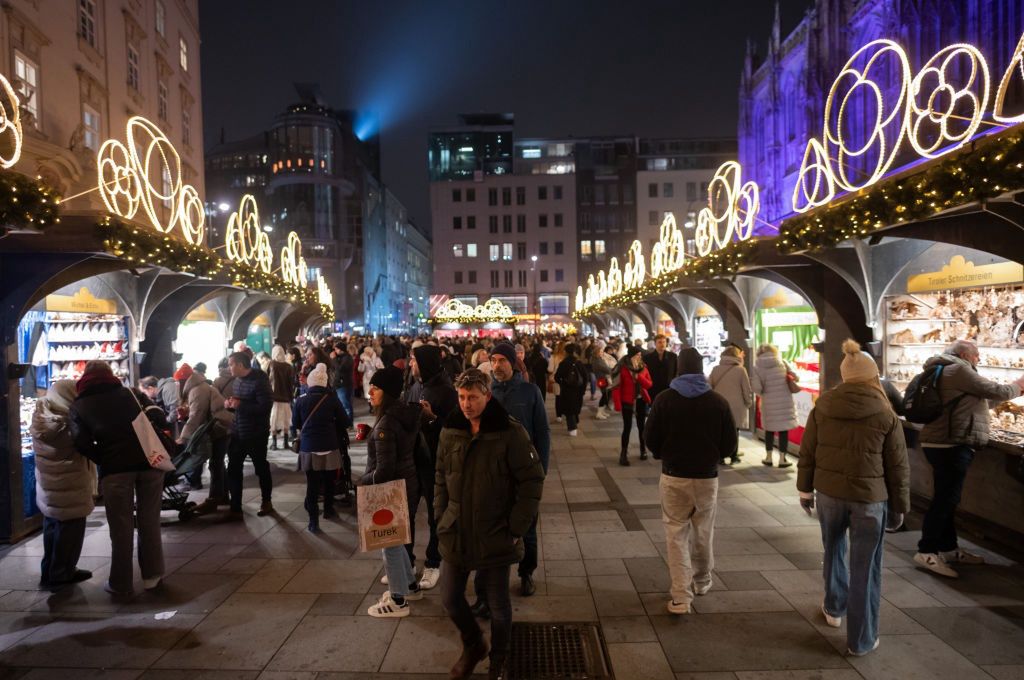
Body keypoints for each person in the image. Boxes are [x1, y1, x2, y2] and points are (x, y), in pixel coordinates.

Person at [797, 340, 910, 656]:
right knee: (866, 566)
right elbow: (898, 465)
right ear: (873, 376)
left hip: (830, 494)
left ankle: (834, 608)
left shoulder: (824, 405)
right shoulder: (885, 411)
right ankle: (860, 640)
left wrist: (805, 489)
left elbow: (808, 451)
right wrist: (900, 506)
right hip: (870, 499)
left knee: (833, 548)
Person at [437, 369, 545, 679]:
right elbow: (440, 477)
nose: (466, 404)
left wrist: (516, 527)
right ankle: (474, 645)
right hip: (456, 528)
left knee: (498, 605)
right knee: (450, 597)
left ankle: (500, 659)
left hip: (496, 529)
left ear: (487, 396)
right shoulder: (451, 430)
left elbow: (532, 479)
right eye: (461, 397)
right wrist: (440, 515)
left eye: (472, 397)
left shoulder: (510, 433)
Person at [912, 339, 1024, 578]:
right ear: (964, 354)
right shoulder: (959, 369)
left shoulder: (947, 370)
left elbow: (981, 400)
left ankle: (948, 548)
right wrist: (1018, 384)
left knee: (947, 498)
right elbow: (997, 391)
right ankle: (927, 550)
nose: (979, 359)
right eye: (977, 355)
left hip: (943, 441)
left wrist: (1010, 393)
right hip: (950, 443)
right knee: (945, 499)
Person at [644, 348, 737, 614]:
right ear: (701, 370)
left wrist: (663, 453)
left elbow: (651, 438)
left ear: (679, 370)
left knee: (675, 533)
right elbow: (730, 444)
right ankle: (703, 580)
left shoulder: (664, 400)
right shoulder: (718, 402)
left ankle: (681, 596)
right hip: (707, 478)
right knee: (704, 531)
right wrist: (713, 457)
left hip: (674, 476)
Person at [69, 361, 166, 595]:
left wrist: (102, 456)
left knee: (121, 526)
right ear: (111, 375)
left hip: (115, 469)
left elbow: (80, 442)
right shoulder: (128, 393)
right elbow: (157, 417)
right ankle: (152, 576)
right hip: (150, 461)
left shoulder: (80, 405)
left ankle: (120, 583)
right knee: (149, 521)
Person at [488, 342, 551, 600]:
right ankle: (495, 579)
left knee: (527, 525)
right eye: (493, 360)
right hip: (494, 474)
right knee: (495, 527)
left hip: (524, 472)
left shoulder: (530, 392)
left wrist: (541, 470)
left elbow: (542, 434)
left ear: (513, 362)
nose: (497, 366)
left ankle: (526, 573)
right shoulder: (487, 393)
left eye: (502, 360)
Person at [363, 366, 424, 617]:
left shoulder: (386, 423)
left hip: (389, 490)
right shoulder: (404, 414)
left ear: (386, 392)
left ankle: (397, 601)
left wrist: (361, 481)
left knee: (389, 542)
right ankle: (410, 586)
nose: (369, 392)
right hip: (406, 484)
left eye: (375, 388)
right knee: (397, 540)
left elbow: (384, 469)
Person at [30, 380, 95, 589]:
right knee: (71, 530)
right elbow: (85, 444)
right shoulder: (66, 423)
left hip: (49, 484)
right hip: (69, 484)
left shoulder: (41, 418)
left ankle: (49, 569)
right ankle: (63, 572)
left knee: (52, 527)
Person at [407, 345, 458, 591]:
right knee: (406, 512)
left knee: (434, 515)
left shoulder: (447, 392)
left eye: (413, 360)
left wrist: (432, 419)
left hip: (435, 463)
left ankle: (433, 563)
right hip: (412, 461)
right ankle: (406, 562)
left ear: (424, 363)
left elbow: (453, 434)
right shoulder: (416, 387)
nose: (410, 365)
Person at [292, 363, 350, 533]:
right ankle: (329, 509)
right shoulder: (332, 399)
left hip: (309, 448)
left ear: (309, 382)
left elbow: (296, 423)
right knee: (330, 481)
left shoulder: (301, 400)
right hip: (330, 446)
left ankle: (313, 521)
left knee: (312, 485)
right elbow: (345, 421)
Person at [224, 351, 275, 517]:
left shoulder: (260, 380)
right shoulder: (237, 381)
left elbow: (265, 407)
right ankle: (235, 506)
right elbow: (240, 403)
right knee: (233, 469)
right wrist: (230, 404)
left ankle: (266, 502)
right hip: (238, 432)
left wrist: (240, 405)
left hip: (256, 434)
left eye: (231, 364)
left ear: (240, 365)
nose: (229, 367)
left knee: (261, 468)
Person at [178, 364, 233, 513]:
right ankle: (223, 496)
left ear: (184, 381)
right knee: (218, 463)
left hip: (219, 428)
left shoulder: (197, 390)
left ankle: (214, 500)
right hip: (220, 427)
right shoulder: (199, 387)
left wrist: (183, 438)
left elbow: (197, 416)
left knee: (215, 464)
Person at [751, 344, 798, 468]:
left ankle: (768, 457)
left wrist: (762, 393)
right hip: (784, 401)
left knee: (769, 430)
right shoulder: (782, 362)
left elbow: (757, 388)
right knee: (783, 430)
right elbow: (796, 377)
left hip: (768, 402)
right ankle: (783, 459)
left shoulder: (757, 367)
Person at [709, 345, 752, 465]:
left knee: (720, 431)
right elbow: (746, 389)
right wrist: (748, 402)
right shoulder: (741, 370)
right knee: (734, 431)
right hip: (736, 405)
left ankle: (720, 457)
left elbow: (709, 386)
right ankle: (734, 456)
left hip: (719, 404)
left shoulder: (716, 369)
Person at [613, 345, 653, 466]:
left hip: (641, 401)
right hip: (627, 402)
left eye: (640, 355)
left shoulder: (643, 368)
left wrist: (638, 376)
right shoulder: (623, 368)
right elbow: (616, 387)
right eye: (637, 355)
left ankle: (643, 449)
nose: (639, 357)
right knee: (627, 428)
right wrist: (617, 404)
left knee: (642, 427)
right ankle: (623, 454)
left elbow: (649, 384)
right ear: (631, 356)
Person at [554, 343, 587, 436]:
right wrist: (583, 389)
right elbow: (585, 377)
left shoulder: (564, 363)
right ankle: (575, 422)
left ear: (566, 352)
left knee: (569, 409)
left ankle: (572, 428)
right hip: (578, 390)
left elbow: (557, 377)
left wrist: (563, 383)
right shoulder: (579, 363)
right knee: (576, 407)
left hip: (567, 390)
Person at [268, 345, 295, 450]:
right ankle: (285, 443)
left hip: (273, 398)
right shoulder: (289, 366)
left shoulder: (271, 364)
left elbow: (268, 380)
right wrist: (291, 396)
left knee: (273, 420)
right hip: (286, 397)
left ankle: (274, 443)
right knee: (286, 420)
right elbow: (291, 383)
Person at [644, 334, 678, 401]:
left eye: (664, 342)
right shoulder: (647, 358)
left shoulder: (673, 357)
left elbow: (676, 371)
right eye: (659, 342)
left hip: (668, 388)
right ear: (655, 344)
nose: (662, 344)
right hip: (653, 389)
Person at [331, 342, 356, 423]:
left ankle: (349, 423)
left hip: (344, 384)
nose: (334, 351)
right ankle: (345, 422)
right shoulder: (340, 357)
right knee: (343, 404)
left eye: (336, 349)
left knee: (346, 405)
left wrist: (334, 358)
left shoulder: (347, 358)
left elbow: (340, 369)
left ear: (341, 349)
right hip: (339, 384)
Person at [591, 340, 615, 420]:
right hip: (602, 379)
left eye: (602, 351)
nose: (602, 353)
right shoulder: (597, 360)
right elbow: (606, 369)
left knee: (606, 395)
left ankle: (602, 411)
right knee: (605, 395)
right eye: (600, 352)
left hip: (604, 379)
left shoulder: (599, 359)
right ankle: (599, 412)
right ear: (597, 352)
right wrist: (611, 369)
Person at [359, 346, 385, 414]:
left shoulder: (377, 359)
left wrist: (378, 367)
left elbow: (382, 368)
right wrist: (361, 363)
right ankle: (371, 409)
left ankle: (376, 408)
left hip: (376, 378)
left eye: (368, 352)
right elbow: (360, 370)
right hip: (367, 379)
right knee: (369, 395)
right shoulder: (363, 359)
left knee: (376, 394)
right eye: (366, 352)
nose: (367, 353)